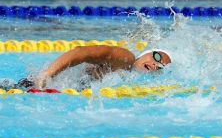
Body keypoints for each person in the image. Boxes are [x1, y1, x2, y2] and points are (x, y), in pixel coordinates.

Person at [2, 45, 171, 90]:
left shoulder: (131, 79)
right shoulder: (126, 58)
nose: (156, 64)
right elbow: (82, 52)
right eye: (157, 56)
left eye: (161, 66)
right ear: (146, 52)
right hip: (42, 84)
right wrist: (47, 74)